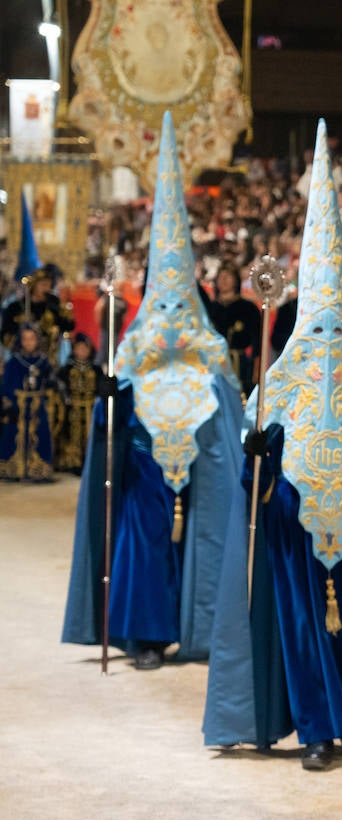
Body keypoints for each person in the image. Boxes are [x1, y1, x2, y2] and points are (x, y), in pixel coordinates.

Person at [203, 121, 342, 770]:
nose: (322, 352)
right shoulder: (278, 389)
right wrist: (258, 454)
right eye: (312, 335)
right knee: (301, 627)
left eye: (333, 336)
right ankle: (317, 725)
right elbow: (252, 478)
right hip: (295, 531)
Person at [62, 112, 244, 672]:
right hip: (144, 461)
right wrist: (110, 398)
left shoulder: (210, 348)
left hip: (200, 462)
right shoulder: (134, 346)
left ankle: (201, 628)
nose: (168, 313)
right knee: (142, 540)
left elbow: (229, 407)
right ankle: (144, 634)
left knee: (202, 539)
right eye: (159, 302)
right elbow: (111, 415)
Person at [0, 324, 56, 482]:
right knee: (14, 436)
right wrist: (8, 404)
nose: (28, 342)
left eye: (32, 339)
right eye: (25, 339)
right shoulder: (14, 361)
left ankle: (37, 470)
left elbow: (50, 382)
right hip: (18, 407)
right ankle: (14, 470)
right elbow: (6, 384)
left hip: (37, 407)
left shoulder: (43, 361)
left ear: (37, 340)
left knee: (39, 435)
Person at [206, 264, 262, 393]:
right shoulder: (209, 309)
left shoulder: (248, 308)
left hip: (240, 366)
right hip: (214, 364)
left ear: (236, 280)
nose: (224, 279)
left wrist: (257, 369)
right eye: (221, 276)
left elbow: (257, 342)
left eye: (228, 276)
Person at [54, 332, 103, 474]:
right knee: (72, 435)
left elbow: (100, 388)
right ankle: (73, 463)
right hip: (73, 407)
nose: (81, 351)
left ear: (90, 350)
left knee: (89, 434)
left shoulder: (96, 370)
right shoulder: (67, 369)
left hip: (90, 407)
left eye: (85, 348)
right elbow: (59, 386)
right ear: (74, 350)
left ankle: (89, 462)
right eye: (78, 348)